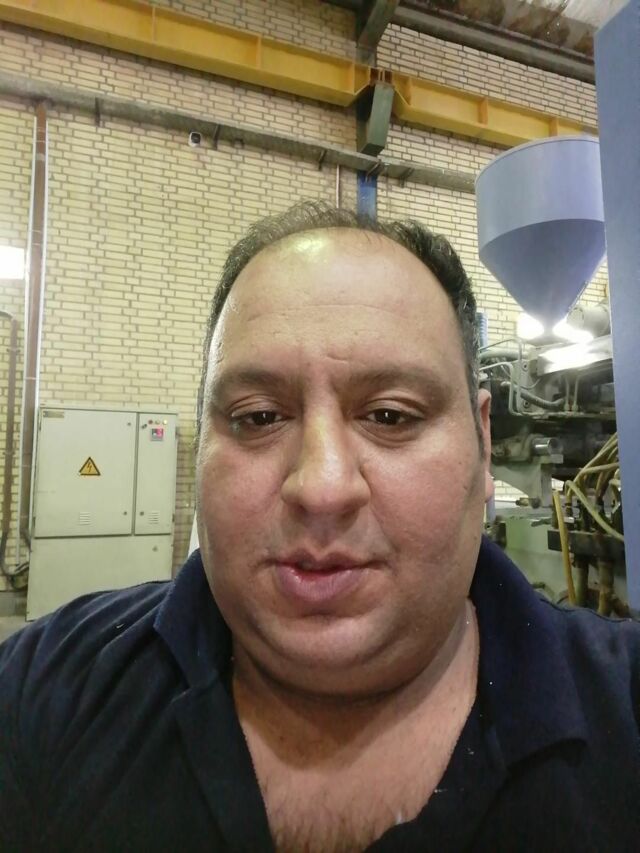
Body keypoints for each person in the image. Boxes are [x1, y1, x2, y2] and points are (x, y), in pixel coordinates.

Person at [1, 201, 639, 853]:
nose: (322, 487)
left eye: (390, 416)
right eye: (258, 417)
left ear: (482, 443)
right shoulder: (42, 690)